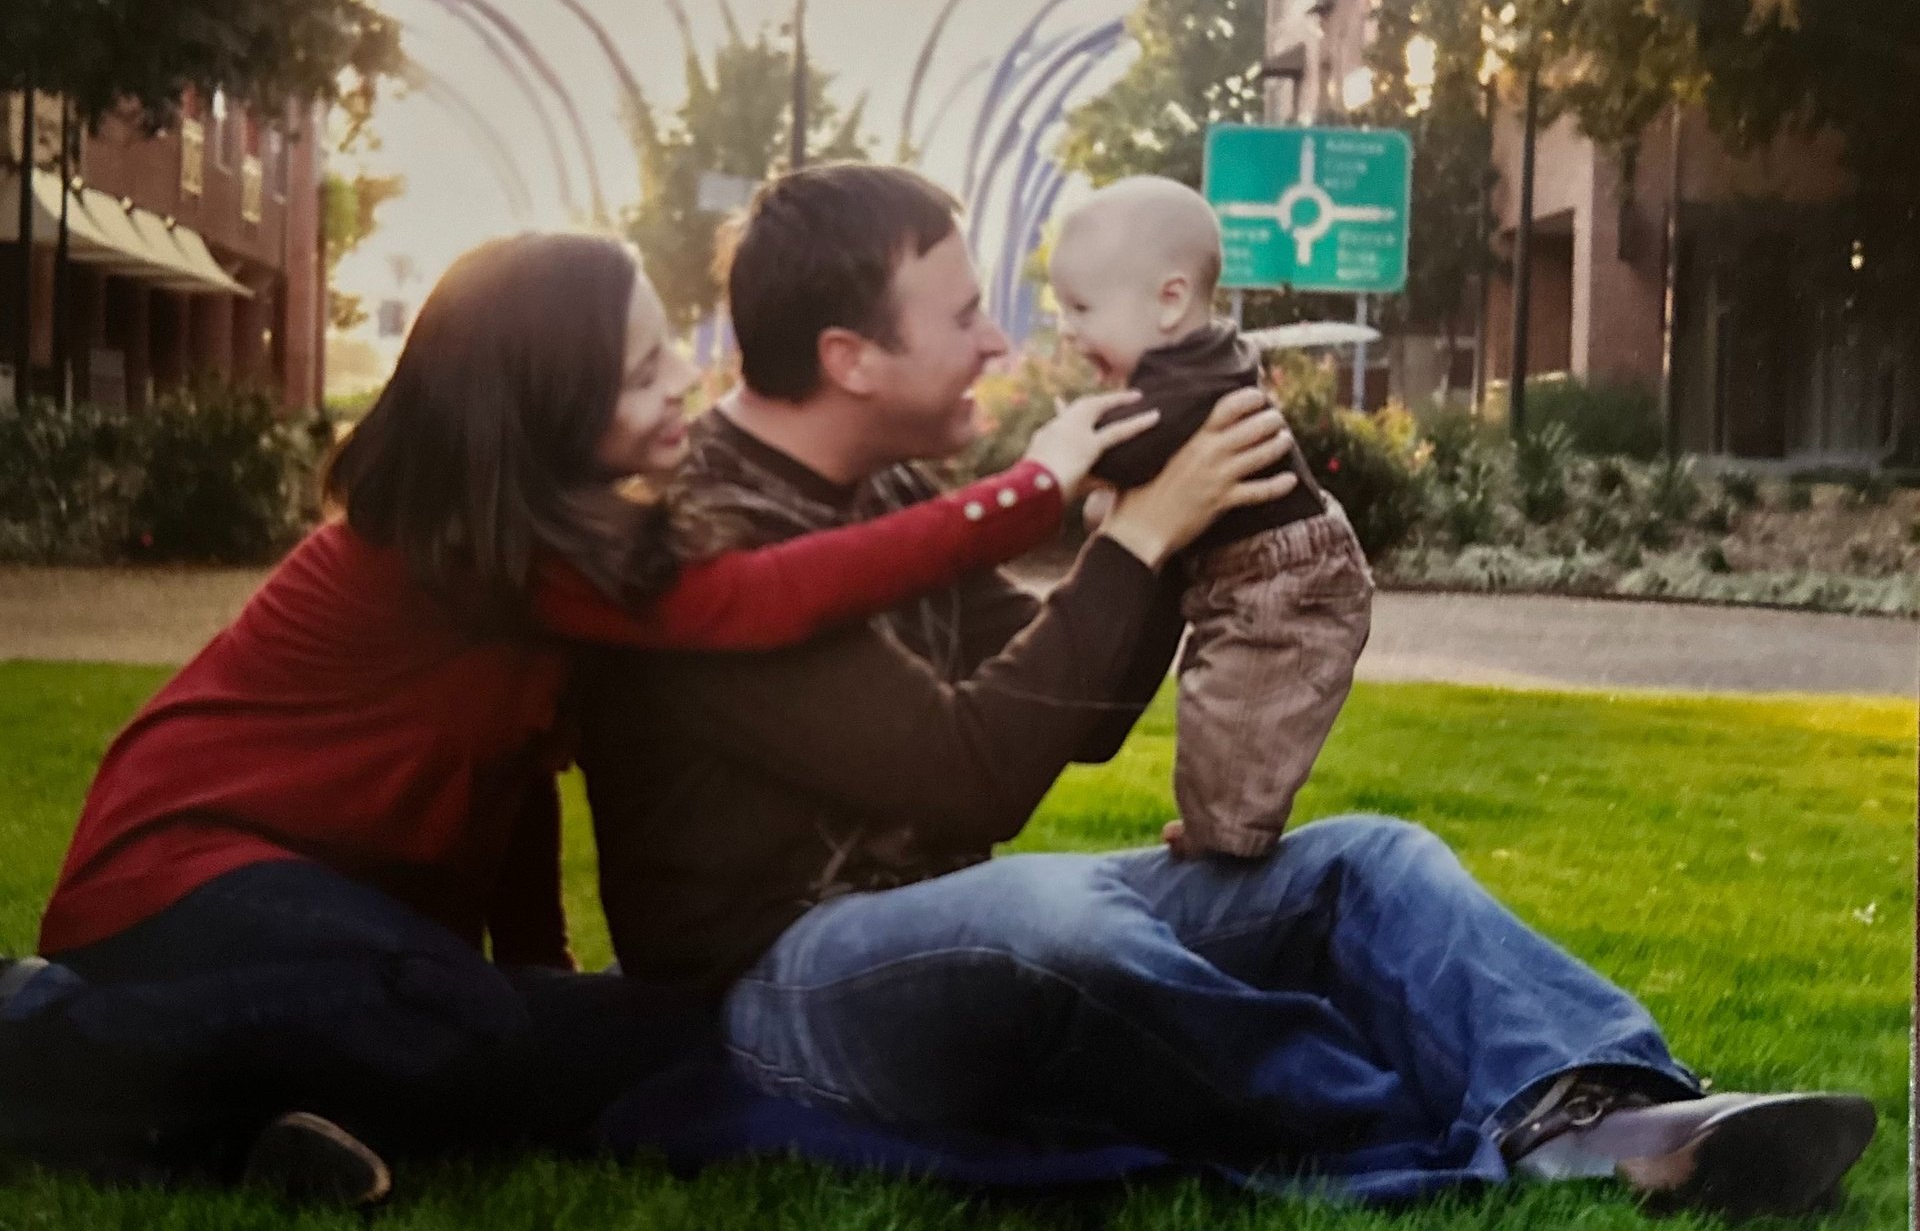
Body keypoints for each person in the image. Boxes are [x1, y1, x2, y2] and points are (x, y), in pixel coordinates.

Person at [575, 164, 1876, 1220]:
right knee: (1056, 916)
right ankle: (1426, 1120)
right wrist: (1140, 538)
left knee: (1366, 862)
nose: (1001, 340)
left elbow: (1071, 720)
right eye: (965, 314)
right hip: (784, 990)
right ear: (852, 356)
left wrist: (1187, 525)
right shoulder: (711, 541)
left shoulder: (893, 497)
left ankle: (1610, 1111)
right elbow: (971, 773)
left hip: (947, 928)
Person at [0, 229, 1239, 1205]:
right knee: (454, 1016)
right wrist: (1028, 493)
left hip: (334, 923)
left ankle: (253, 1126)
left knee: (648, 1036)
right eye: (642, 372)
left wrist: (540, 967)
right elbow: (763, 598)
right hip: (180, 880)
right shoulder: (463, 543)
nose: (682, 380)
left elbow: (512, 779)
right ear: (543, 403)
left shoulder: (567, 541)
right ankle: (38, 1031)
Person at [1049, 174, 1372, 856]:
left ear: (1170, 301)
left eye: (1081, 308)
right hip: (1248, 573)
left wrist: (1064, 459)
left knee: (1239, 710)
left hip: (1287, 584)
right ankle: (1219, 826)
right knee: (1214, 701)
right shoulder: (1201, 362)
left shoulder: (1189, 386)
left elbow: (1126, 450)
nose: (1067, 331)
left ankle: (1226, 838)